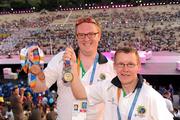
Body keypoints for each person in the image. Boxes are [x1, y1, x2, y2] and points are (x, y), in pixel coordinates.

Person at [28, 16, 116, 120]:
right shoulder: (61, 58)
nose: (86, 38)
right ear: (76, 37)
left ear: (99, 36)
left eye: (91, 34)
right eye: (81, 35)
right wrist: (35, 74)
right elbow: (38, 87)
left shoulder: (111, 68)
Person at [68, 46, 174, 120]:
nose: (125, 69)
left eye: (130, 64)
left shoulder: (152, 97)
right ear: (114, 66)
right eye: (121, 64)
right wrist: (72, 67)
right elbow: (80, 94)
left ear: (138, 67)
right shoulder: (106, 87)